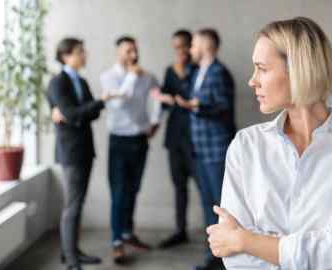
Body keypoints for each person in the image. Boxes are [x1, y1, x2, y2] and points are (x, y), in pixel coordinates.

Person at [206, 17, 332, 270]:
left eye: (262, 68)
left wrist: (245, 239)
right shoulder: (246, 146)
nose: (252, 80)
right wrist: (329, 256)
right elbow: (238, 262)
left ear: (298, 69)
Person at [47, 37, 117, 270]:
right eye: (80, 52)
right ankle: (71, 259)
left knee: (78, 202)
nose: (85, 55)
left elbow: (88, 114)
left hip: (85, 149)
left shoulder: (82, 81)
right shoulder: (58, 82)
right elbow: (74, 113)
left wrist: (80, 112)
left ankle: (73, 252)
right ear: (66, 56)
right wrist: (97, 103)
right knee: (73, 205)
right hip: (71, 151)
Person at [175, 28, 236, 270]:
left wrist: (196, 106)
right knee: (207, 204)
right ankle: (213, 257)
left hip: (216, 148)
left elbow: (223, 107)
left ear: (205, 46)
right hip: (200, 149)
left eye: (194, 45)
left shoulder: (219, 72)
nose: (190, 50)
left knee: (221, 206)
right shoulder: (199, 70)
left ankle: (225, 260)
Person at [100, 35, 161, 264]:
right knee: (118, 192)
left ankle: (127, 233)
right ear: (118, 52)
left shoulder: (148, 77)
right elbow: (116, 103)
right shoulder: (108, 78)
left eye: (135, 50)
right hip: (118, 141)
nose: (134, 55)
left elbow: (158, 98)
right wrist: (132, 78)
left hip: (139, 141)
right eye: (128, 51)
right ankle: (117, 241)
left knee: (133, 190)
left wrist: (155, 122)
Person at [151, 29, 197, 249]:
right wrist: (162, 97)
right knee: (179, 187)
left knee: (207, 189)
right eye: (175, 47)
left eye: (183, 46)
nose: (179, 51)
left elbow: (197, 100)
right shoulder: (170, 70)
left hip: (197, 139)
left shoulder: (198, 69)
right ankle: (180, 230)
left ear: (190, 46)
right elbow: (163, 103)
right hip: (174, 138)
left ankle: (215, 237)